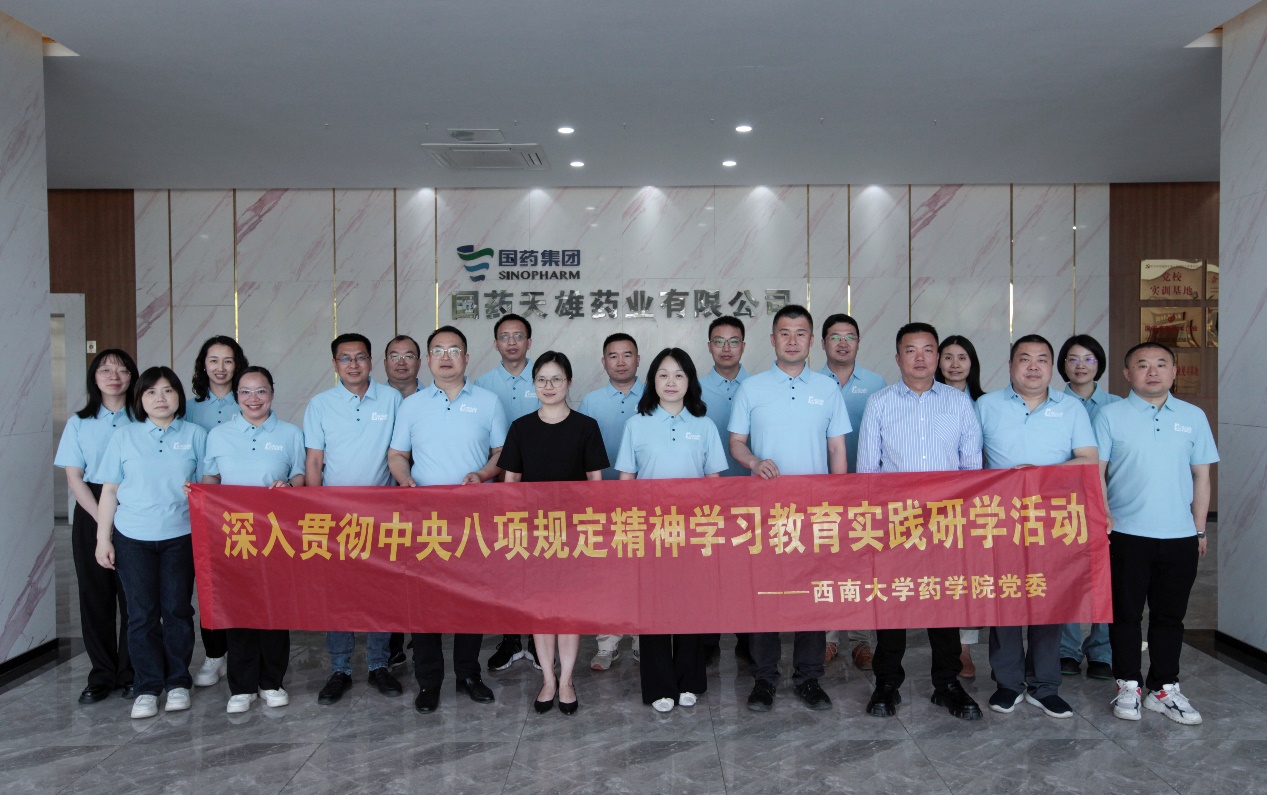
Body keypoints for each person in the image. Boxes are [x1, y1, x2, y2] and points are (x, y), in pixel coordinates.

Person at [857, 322, 983, 720]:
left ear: (937, 357)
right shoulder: (879, 403)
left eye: (928, 349)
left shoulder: (958, 403)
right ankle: (886, 683)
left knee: (943, 605)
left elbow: (971, 468)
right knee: (892, 605)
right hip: (896, 523)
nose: (920, 358)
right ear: (898, 357)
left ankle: (947, 684)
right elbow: (867, 472)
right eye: (911, 350)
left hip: (945, 522)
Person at [729, 304, 849, 712]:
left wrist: (839, 504)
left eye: (800, 333)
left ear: (812, 340)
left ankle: (808, 678)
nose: (792, 340)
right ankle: (764, 679)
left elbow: (837, 449)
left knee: (811, 596)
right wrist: (752, 462)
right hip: (765, 514)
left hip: (815, 513)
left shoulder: (828, 389)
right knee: (764, 596)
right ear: (772, 340)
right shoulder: (752, 388)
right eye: (785, 333)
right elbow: (736, 442)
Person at [389, 325, 507, 714]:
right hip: (424, 519)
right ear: (428, 359)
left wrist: (483, 474)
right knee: (424, 601)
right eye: (438, 350)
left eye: (454, 350)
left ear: (466, 358)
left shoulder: (488, 401)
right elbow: (397, 454)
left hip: (472, 518)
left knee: (470, 599)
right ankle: (429, 681)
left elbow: (501, 453)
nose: (446, 356)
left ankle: (469, 674)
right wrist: (404, 479)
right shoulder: (412, 405)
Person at [976, 334, 1096, 719]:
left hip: (1053, 520)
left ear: (1051, 367)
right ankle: (1008, 684)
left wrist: (1041, 474)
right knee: (1006, 602)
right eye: (1024, 358)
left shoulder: (1071, 408)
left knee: (1049, 600)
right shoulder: (986, 405)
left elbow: (1088, 460)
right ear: (1011, 365)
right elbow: (970, 460)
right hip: (1000, 519)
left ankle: (1045, 686)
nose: (1033, 366)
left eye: (1042, 359)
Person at [1099, 342, 1217, 725]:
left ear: (1174, 371)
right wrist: (1104, 517)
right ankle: (1128, 685)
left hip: (1180, 536)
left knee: (1170, 617)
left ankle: (1164, 688)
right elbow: (1095, 473)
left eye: (1161, 364)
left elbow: (1201, 476)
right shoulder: (1110, 415)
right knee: (1125, 615)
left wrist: (1199, 528)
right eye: (1143, 365)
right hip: (1125, 535)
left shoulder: (1193, 417)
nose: (1153, 371)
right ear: (1127, 373)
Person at [617, 348, 727, 713]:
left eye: (679, 375)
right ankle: (659, 685)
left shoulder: (704, 426)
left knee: (690, 608)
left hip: (694, 533)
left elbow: (714, 484)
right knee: (654, 610)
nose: (671, 382)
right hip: (649, 533)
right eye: (663, 374)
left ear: (689, 381)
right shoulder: (637, 424)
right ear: (652, 381)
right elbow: (626, 483)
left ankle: (689, 680)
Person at [94, 367, 207, 719]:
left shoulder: (195, 435)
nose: (161, 398)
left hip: (180, 535)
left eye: (168, 391)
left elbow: (209, 485)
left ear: (179, 397)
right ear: (140, 398)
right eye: (151, 392)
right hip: (133, 538)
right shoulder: (124, 437)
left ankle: (178, 682)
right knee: (140, 615)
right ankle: (146, 687)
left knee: (177, 611)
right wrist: (102, 538)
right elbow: (109, 491)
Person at [499, 351, 607, 715]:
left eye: (556, 379)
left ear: (569, 383)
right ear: (534, 385)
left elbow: (595, 485)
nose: (549, 386)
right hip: (534, 536)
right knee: (542, 611)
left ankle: (566, 681)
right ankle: (548, 678)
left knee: (569, 611)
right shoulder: (521, 428)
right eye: (542, 380)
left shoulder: (586, 426)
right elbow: (511, 484)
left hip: (574, 535)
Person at [304, 332, 404, 705]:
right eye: (345, 358)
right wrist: (315, 510)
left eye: (360, 357)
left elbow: (401, 451)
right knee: (339, 595)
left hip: (382, 515)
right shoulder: (320, 404)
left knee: (381, 593)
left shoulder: (392, 399)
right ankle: (340, 669)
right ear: (335, 364)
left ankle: (379, 664)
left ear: (371, 361)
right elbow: (314, 460)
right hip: (335, 516)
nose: (353, 364)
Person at [201, 366, 305, 713]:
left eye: (261, 391)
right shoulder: (219, 435)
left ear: (272, 394)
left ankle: (272, 682)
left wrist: (288, 487)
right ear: (236, 396)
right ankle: (242, 686)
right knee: (239, 609)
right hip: (233, 535)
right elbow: (211, 480)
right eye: (245, 392)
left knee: (274, 609)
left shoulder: (290, 434)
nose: (253, 398)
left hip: (276, 535)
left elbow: (301, 477)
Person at [54, 349, 139, 704]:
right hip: (91, 510)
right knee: (95, 596)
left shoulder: (143, 417)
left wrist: (120, 516)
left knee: (134, 598)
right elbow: (74, 476)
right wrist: (102, 518)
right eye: (106, 370)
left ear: (132, 376)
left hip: (135, 509)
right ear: (94, 378)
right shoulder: (79, 422)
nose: (114, 376)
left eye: (122, 370)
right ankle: (102, 674)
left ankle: (131, 673)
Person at [818, 313, 887, 673]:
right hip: (823, 491)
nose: (843, 343)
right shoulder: (811, 383)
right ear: (823, 343)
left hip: (866, 490)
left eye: (850, 336)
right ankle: (828, 638)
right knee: (826, 563)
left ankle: (861, 641)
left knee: (863, 564)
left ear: (859, 342)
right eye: (835, 336)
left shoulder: (877, 384)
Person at [475, 314, 542, 673]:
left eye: (518, 336)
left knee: (539, 561)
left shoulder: (544, 377)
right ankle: (511, 639)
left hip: (541, 486)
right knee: (506, 562)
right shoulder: (481, 386)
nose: (512, 342)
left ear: (529, 342)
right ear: (495, 343)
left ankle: (539, 640)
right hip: (499, 488)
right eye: (505, 336)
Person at [184, 335, 249, 689]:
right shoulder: (189, 408)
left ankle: (241, 652)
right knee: (207, 585)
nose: (220, 368)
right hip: (202, 510)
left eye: (228, 360)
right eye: (213, 360)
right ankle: (214, 655)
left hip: (240, 512)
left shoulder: (249, 400)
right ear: (203, 365)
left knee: (237, 584)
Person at [1055, 333, 1120, 680]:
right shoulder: (1052, 404)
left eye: (1089, 359)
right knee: (1067, 578)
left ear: (1100, 364)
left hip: (1109, 503)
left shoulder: (1117, 406)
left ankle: (1101, 651)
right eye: (1073, 359)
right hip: (1065, 505)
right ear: (1063, 365)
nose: (1081, 365)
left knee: (1105, 578)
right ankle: (1066, 650)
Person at [579, 333, 645, 670]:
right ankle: (607, 644)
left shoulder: (655, 394)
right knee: (606, 577)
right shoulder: (590, 402)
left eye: (627, 354)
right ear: (604, 362)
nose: (620, 362)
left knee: (643, 574)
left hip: (645, 504)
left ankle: (643, 639)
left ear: (638, 359)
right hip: (602, 502)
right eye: (613, 356)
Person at [697, 316, 752, 664]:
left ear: (744, 346)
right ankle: (709, 639)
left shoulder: (760, 387)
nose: (726, 348)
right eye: (719, 341)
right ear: (709, 347)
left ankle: (747, 638)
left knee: (746, 570)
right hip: (708, 496)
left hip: (750, 493)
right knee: (709, 570)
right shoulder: (693, 389)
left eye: (734, 341)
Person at [934, 333, 985, 676]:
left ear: (972, 363)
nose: (954, 364)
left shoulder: (985, 403)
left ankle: (964, 649)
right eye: (948, 357)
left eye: (962, 357)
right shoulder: (928, 400)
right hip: (932, 505)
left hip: (974, 502)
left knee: (966, 577)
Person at [382, 333, 423, 670]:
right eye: (394, 355)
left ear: (420, 363)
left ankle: (421, 638)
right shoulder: (374, 400)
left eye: (408, 355)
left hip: (423, 502)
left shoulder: (434, 399)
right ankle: (391, 646)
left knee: (421, 572)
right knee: (389, 576)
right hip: (382, 502)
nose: (401, 362)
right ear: (384, 363)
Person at [383, 334, 424, 398]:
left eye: (408, 356)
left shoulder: (435, 400)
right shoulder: (373, 401)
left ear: (418, 363)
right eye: (395, 356)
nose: (401, 362)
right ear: (385, 364)